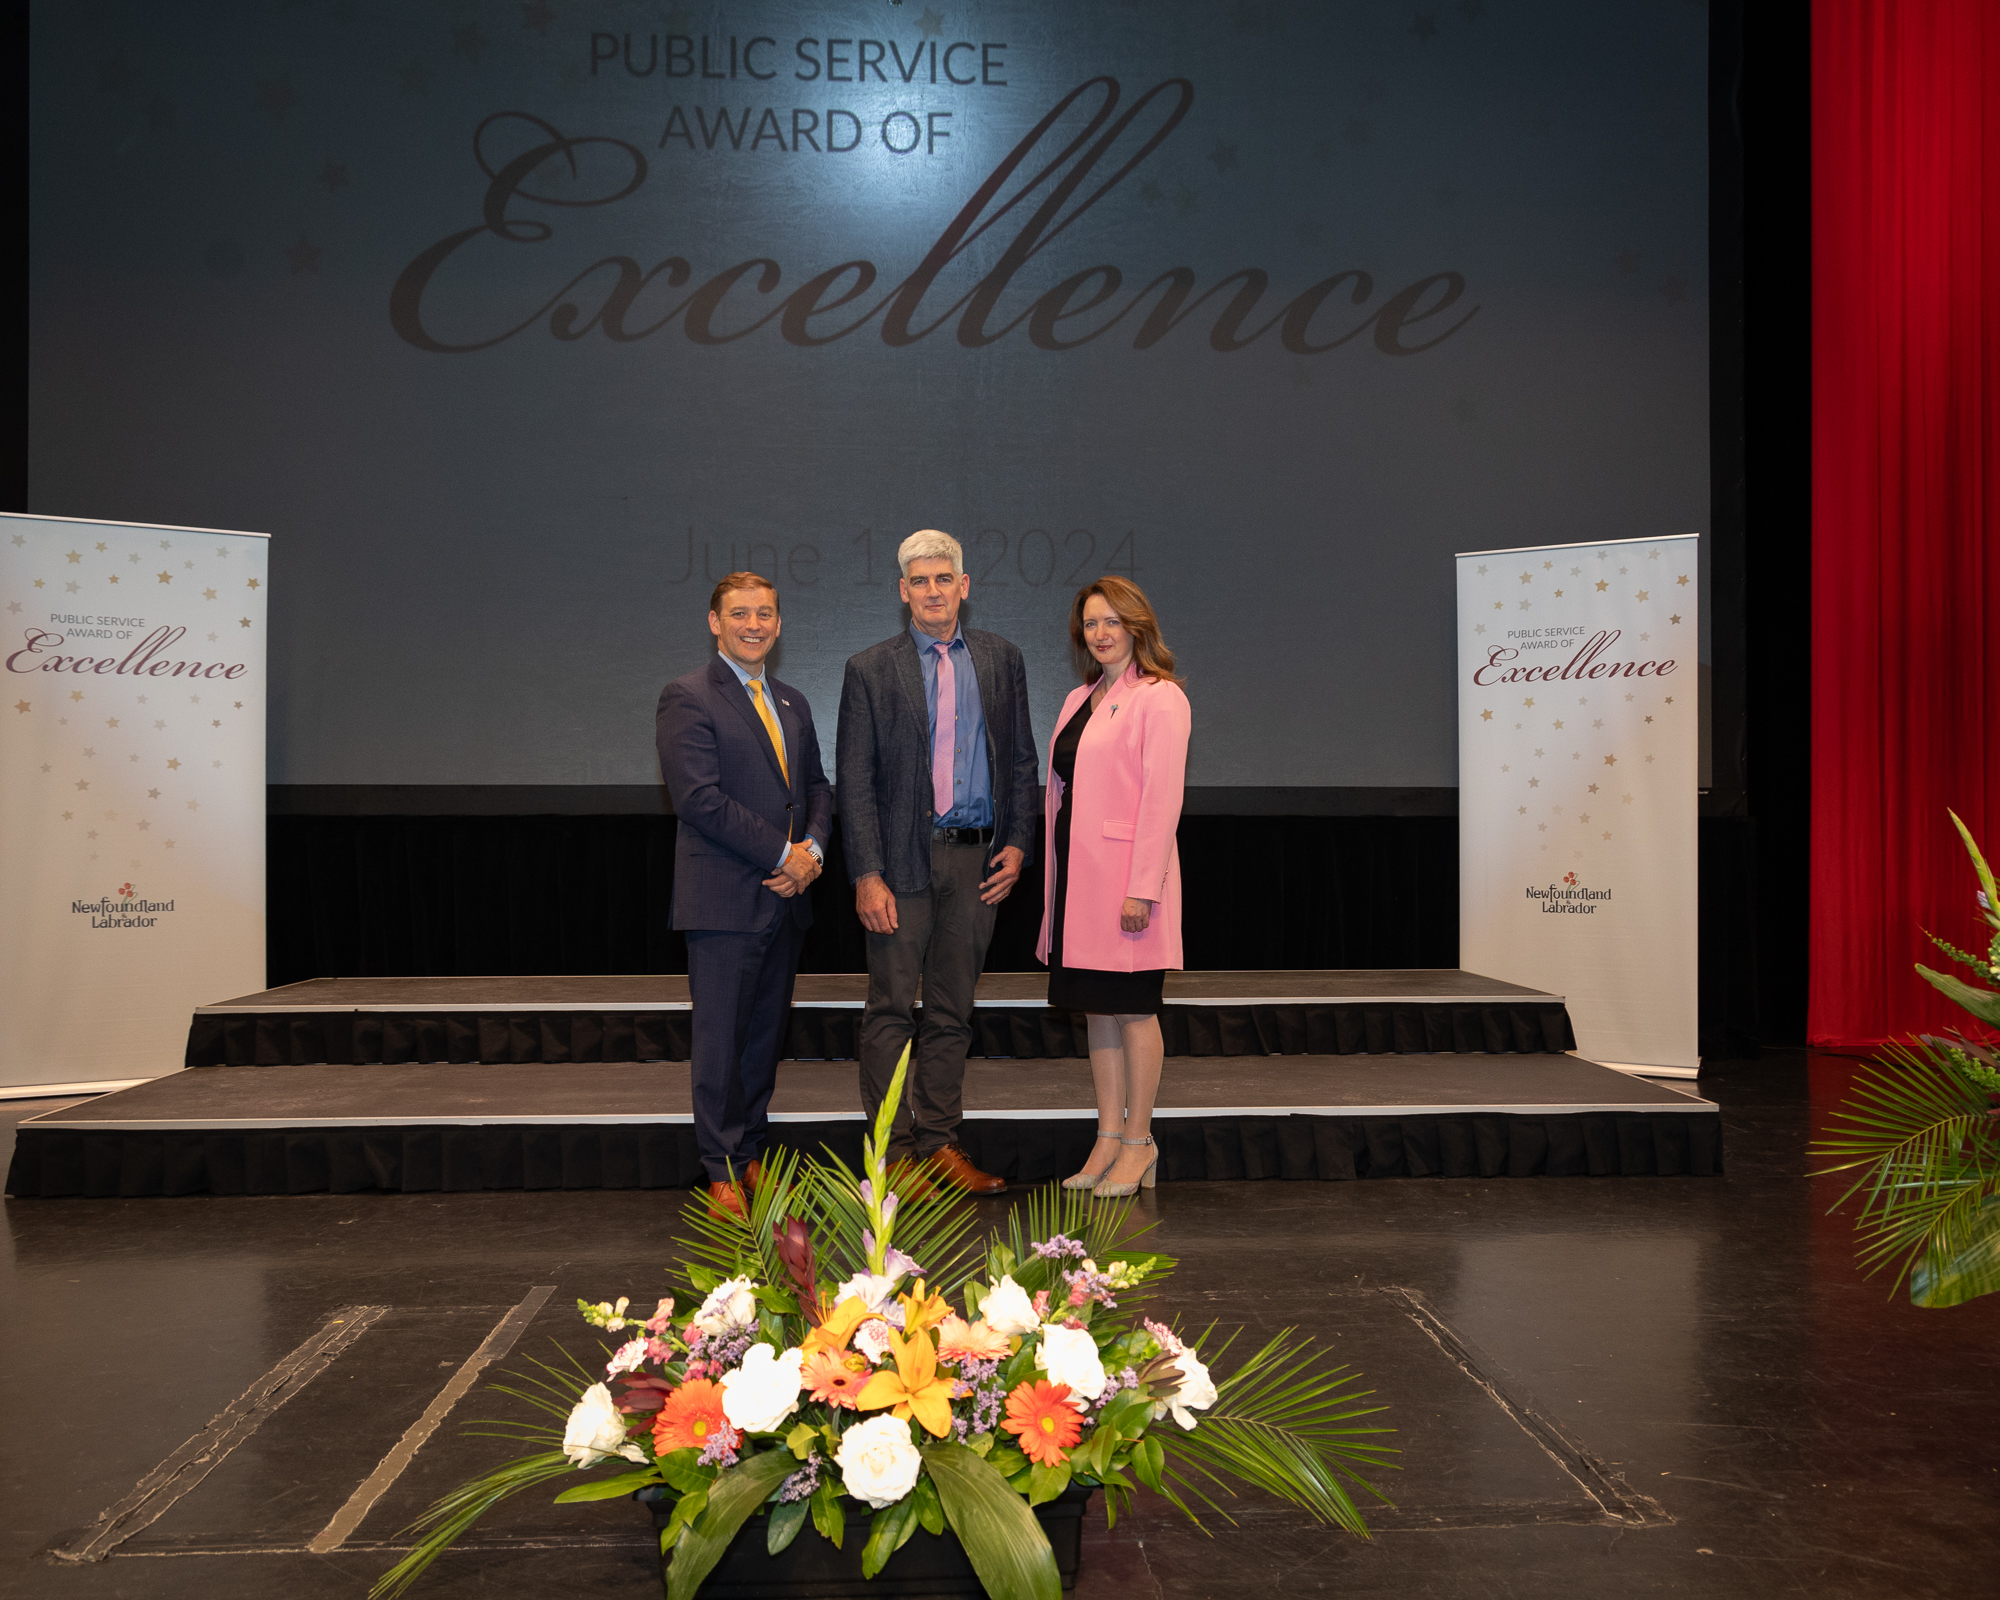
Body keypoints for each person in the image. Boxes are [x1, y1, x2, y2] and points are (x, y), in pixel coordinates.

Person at [837, 529, 1040, 1194]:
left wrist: (1018, 841)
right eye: (920, 581)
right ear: (903, 591)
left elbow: (1020, 759)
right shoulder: (870, 668)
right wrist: (866, 873)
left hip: (977, 861)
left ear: (964, 586)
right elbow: (855, 782)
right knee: (892, 1011)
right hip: (899, 865)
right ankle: (894, 1156)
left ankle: (941, 1145)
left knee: (954, 1012)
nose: (932, 591)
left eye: (943, 579)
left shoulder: (1001, 658)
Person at [656, 572, 832, 1218]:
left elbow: (817, 789)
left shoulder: (792, 701)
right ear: (715, 622)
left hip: (786, 898)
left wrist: (812, 852)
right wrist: (783, 854)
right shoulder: (687, 696)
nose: (753, 624)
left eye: (764, 614)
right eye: (739, 613)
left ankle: (750, 1149)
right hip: (725, 901)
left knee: (763, 1037)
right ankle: (720, 1167)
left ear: (779, 625)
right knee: (720, 1040)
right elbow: (699, 799)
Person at [1038, 577, 1191, 1198]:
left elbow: (1162, 800)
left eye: (1112, 621)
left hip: (1126, 882)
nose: (1101, 633)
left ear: (1136, 626)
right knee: (1096, 1009)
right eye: (1091, 623)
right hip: (1078, 879)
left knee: (1133, 1009)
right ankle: (1107, 1138)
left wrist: (1142, 889)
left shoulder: (1161, 697)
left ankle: (1139, 1142)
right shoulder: (1079, 698)